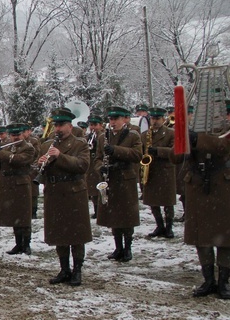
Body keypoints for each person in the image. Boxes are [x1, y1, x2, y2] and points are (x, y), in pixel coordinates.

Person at [169, 106, 230, 299]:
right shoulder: (196, 130)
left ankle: (224, 282)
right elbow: (175, 157)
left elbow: (223, 147)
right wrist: (182, 139)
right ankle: (208, 280)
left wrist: (197, 140)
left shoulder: (226, 131)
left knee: (225, 238)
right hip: (197, 188)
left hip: (222, 188)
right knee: (201, 237)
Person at [36, 108, 92, 286]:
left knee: (76, 234)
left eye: (61, 125)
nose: (58, 129)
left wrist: (60, 156)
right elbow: (38, 170)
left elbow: (82, 165)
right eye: (56, 126)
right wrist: (39, 166)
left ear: (69, 125)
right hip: (54, 193)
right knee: (59, 233)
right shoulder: (46, 145)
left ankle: (77, 270)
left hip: (73, 193)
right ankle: (64, 269)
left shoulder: (80, 144)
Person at [94, 106, 143, 262]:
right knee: (114, 215)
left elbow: (137, 155)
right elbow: (98, 157)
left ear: (124, 119)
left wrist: (116, 150)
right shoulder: (103, 137)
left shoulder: (133, 135)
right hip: (110, 180)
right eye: (111, 119)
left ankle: (127, 248)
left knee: (127, 215)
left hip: (125, 179)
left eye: (116, 119)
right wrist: (100, 167)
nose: (113, 122)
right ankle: (118, 248)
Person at [0, 124, 35, 255]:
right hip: (8, 185)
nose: (15, 137)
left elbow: (18, 160)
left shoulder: (28, 148)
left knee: (24, 215)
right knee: (14, 216)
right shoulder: (7, 147)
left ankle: (26, 244)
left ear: (23, 134)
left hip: (21, 184)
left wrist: (1, 152)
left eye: (18, 134)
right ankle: (18, 243)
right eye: (13, 135)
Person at [141, 107, 176, 238]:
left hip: (165, 170)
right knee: (153, 202)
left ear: (163, 119)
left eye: (157, 119)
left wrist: (158, 151)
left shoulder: (170, 133)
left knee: (168, 201)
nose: (154, 121)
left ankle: (169, 227)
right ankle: (159, 226)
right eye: (152, 118)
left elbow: (175, 151)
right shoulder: (145, 135)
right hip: (151, 171)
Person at [85, 114, 104, 218]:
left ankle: (102, 210)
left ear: (101, 125)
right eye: (91, 125)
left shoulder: (104, 136)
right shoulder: (88, 137)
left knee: (102, 190)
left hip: (100, 166)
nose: (93, 127)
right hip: (91, 166)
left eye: (95, 125)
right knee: (93, 190)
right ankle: (96, 210)